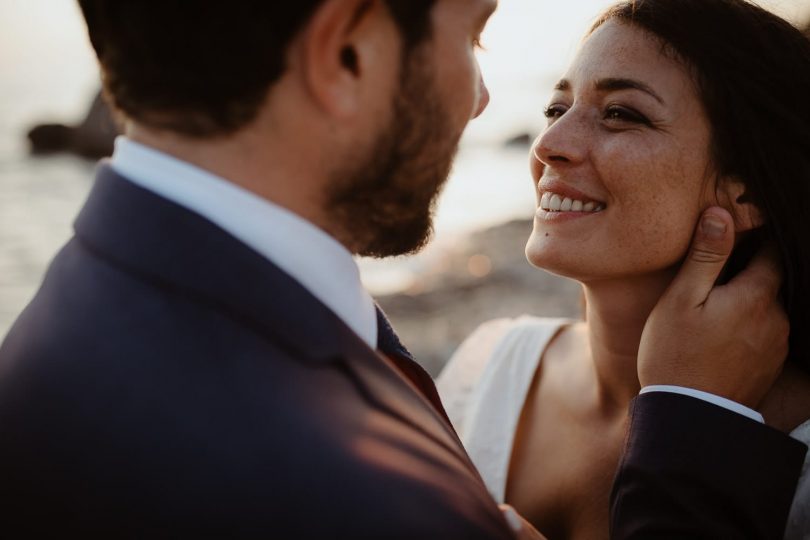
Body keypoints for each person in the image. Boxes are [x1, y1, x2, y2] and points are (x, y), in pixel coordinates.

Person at [0, 0, 803, 537]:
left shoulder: (70, 326)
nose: (491, 102)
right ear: (344, 51)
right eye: (471, 33)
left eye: (620, 112)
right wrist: (694, 448)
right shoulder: (342, 492)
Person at [437, 0, 810, 538]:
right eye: (555, 108)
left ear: (745, 189)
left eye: (621, 114)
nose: (548, 144)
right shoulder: (489, 369)